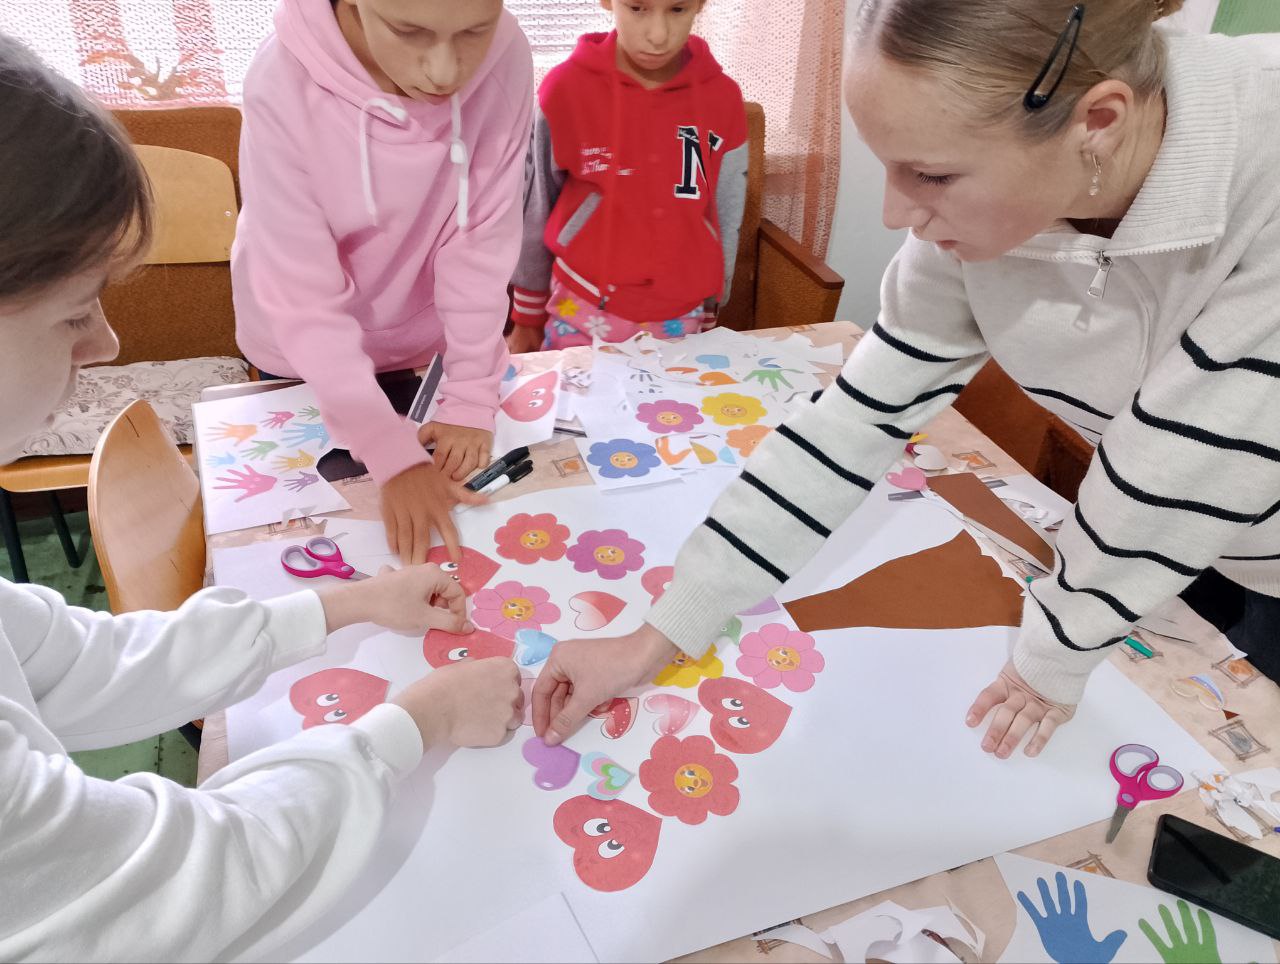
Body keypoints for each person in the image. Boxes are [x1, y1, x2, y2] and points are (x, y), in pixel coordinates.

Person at [533, 0, 1280, 757]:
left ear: (1099, 122)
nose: (896, 213)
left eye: (930, 174)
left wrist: (1052, 656)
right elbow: (851, 421)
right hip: (1166, 543)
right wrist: (658, 632)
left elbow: (1178, 471)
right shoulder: (978, 209)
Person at [0, 36, 522, 959]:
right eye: (77, 309)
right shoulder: (287, 86)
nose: (108, 345)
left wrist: (350, 603)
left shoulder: (506, 72)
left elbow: (82, 663)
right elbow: (185, 877)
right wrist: (417, 724)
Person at [233, 0, 534, 565]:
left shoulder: (507, 56)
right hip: (300, 348)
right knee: (320, 536)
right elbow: (303, 299)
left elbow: (481, 243)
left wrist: (471, 395)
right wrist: (387, 453)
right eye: (409, 31)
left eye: (474, 30)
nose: (445, 71)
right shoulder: (282, 82)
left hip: (423, 339)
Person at [506, 0, 747, 352]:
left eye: (677, 10)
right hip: (580, 306)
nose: (658, 35)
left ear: (700, 5)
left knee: (671, 407)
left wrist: (713, 302)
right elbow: (535, 205)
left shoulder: (724, 98)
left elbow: (725, 210)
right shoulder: (565, 89)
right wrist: (526, 317)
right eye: (637, 8)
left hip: (682, 313)